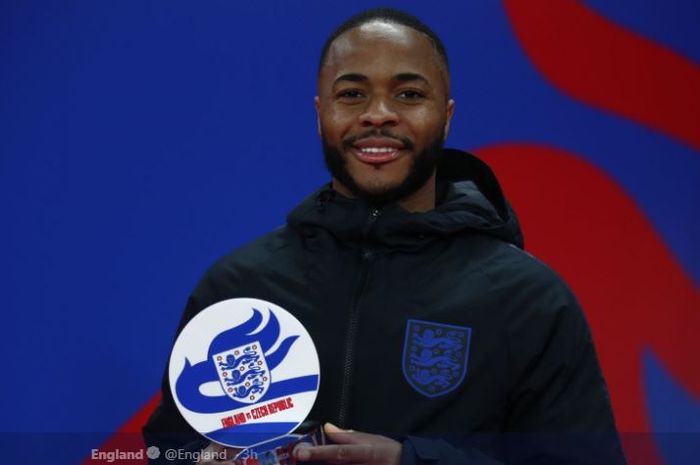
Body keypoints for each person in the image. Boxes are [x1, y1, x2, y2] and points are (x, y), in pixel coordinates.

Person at [143, 8, 626, 465]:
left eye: (408, 95)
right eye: (352, 94)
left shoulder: (527, 301)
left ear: (447, 115)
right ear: (320, 113)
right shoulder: (239, 287)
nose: (378, 114)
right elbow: (170, 450)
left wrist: (411, 461)